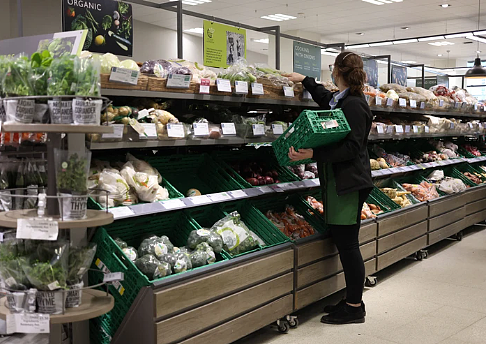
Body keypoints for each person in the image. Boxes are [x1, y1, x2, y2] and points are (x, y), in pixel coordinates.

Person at [286, 51, 373, 325]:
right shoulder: (344, 99)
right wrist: (306, 80)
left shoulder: (356, 105)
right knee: (344, 241)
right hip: (339, 181)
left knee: (348, 245)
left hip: (348, 183)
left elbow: (351, 148)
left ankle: (354, 306)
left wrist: (313, 154)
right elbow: (326, 98)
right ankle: (350, 298)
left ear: (337, 71)